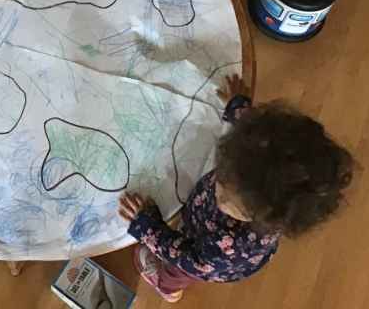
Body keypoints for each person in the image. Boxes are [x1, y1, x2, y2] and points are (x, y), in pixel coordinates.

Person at [118, 75, 354, 303]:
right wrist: (238, 109)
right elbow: (258, 138)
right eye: (222, 173)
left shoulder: (230, 248)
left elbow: (188, 258)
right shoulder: (261, 161)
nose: (217, 187)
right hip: (200, 219)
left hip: (200, 256)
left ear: (262, 215)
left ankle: (167, 287)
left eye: (224, 197)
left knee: (177, 272)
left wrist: (148, 227)